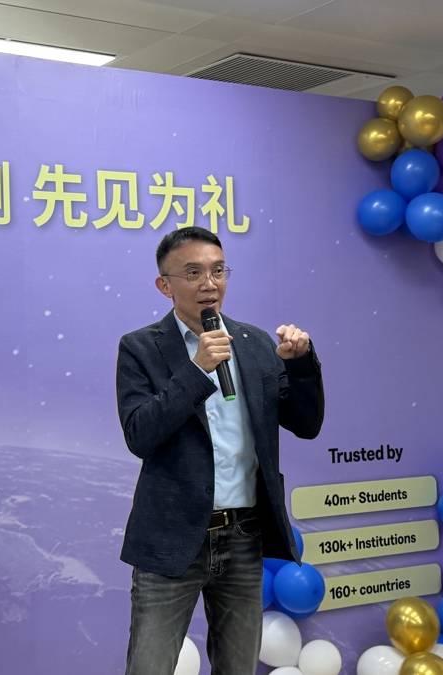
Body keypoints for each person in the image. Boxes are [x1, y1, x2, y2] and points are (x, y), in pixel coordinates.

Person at [116, 227, 325, 675]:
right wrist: (197, 371)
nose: (209, 283)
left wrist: (300, 365)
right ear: (165, 285)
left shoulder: (254, 343)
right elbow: (140, 434)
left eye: (217, 271)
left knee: (237, 666)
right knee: (149, 666)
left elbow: (306, 425)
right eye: (193, 273)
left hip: (243, 536)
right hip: (172, 538)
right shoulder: (140, 348)